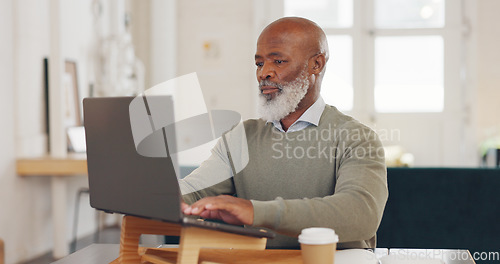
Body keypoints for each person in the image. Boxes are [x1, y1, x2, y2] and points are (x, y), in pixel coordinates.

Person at [179, 17, 388, 249]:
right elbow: (193, 192)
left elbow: (359, 213)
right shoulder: (240, 137)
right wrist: (166, 198)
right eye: (259, 64)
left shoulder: (357, 138)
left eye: (278, 61)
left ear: (316, 64)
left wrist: (255, 211)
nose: (264, 73)